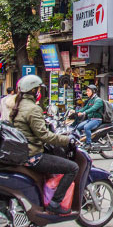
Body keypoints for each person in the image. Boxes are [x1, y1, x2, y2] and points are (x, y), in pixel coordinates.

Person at [11, 74, 77, 215]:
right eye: (38, 89)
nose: (39, 92)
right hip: (32, 155)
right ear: (34, 91)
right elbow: (44, 135)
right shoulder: (33, 109)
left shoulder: (17, 106)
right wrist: (67, 139)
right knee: (73, 168)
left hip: (21, 152)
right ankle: (55, 203)